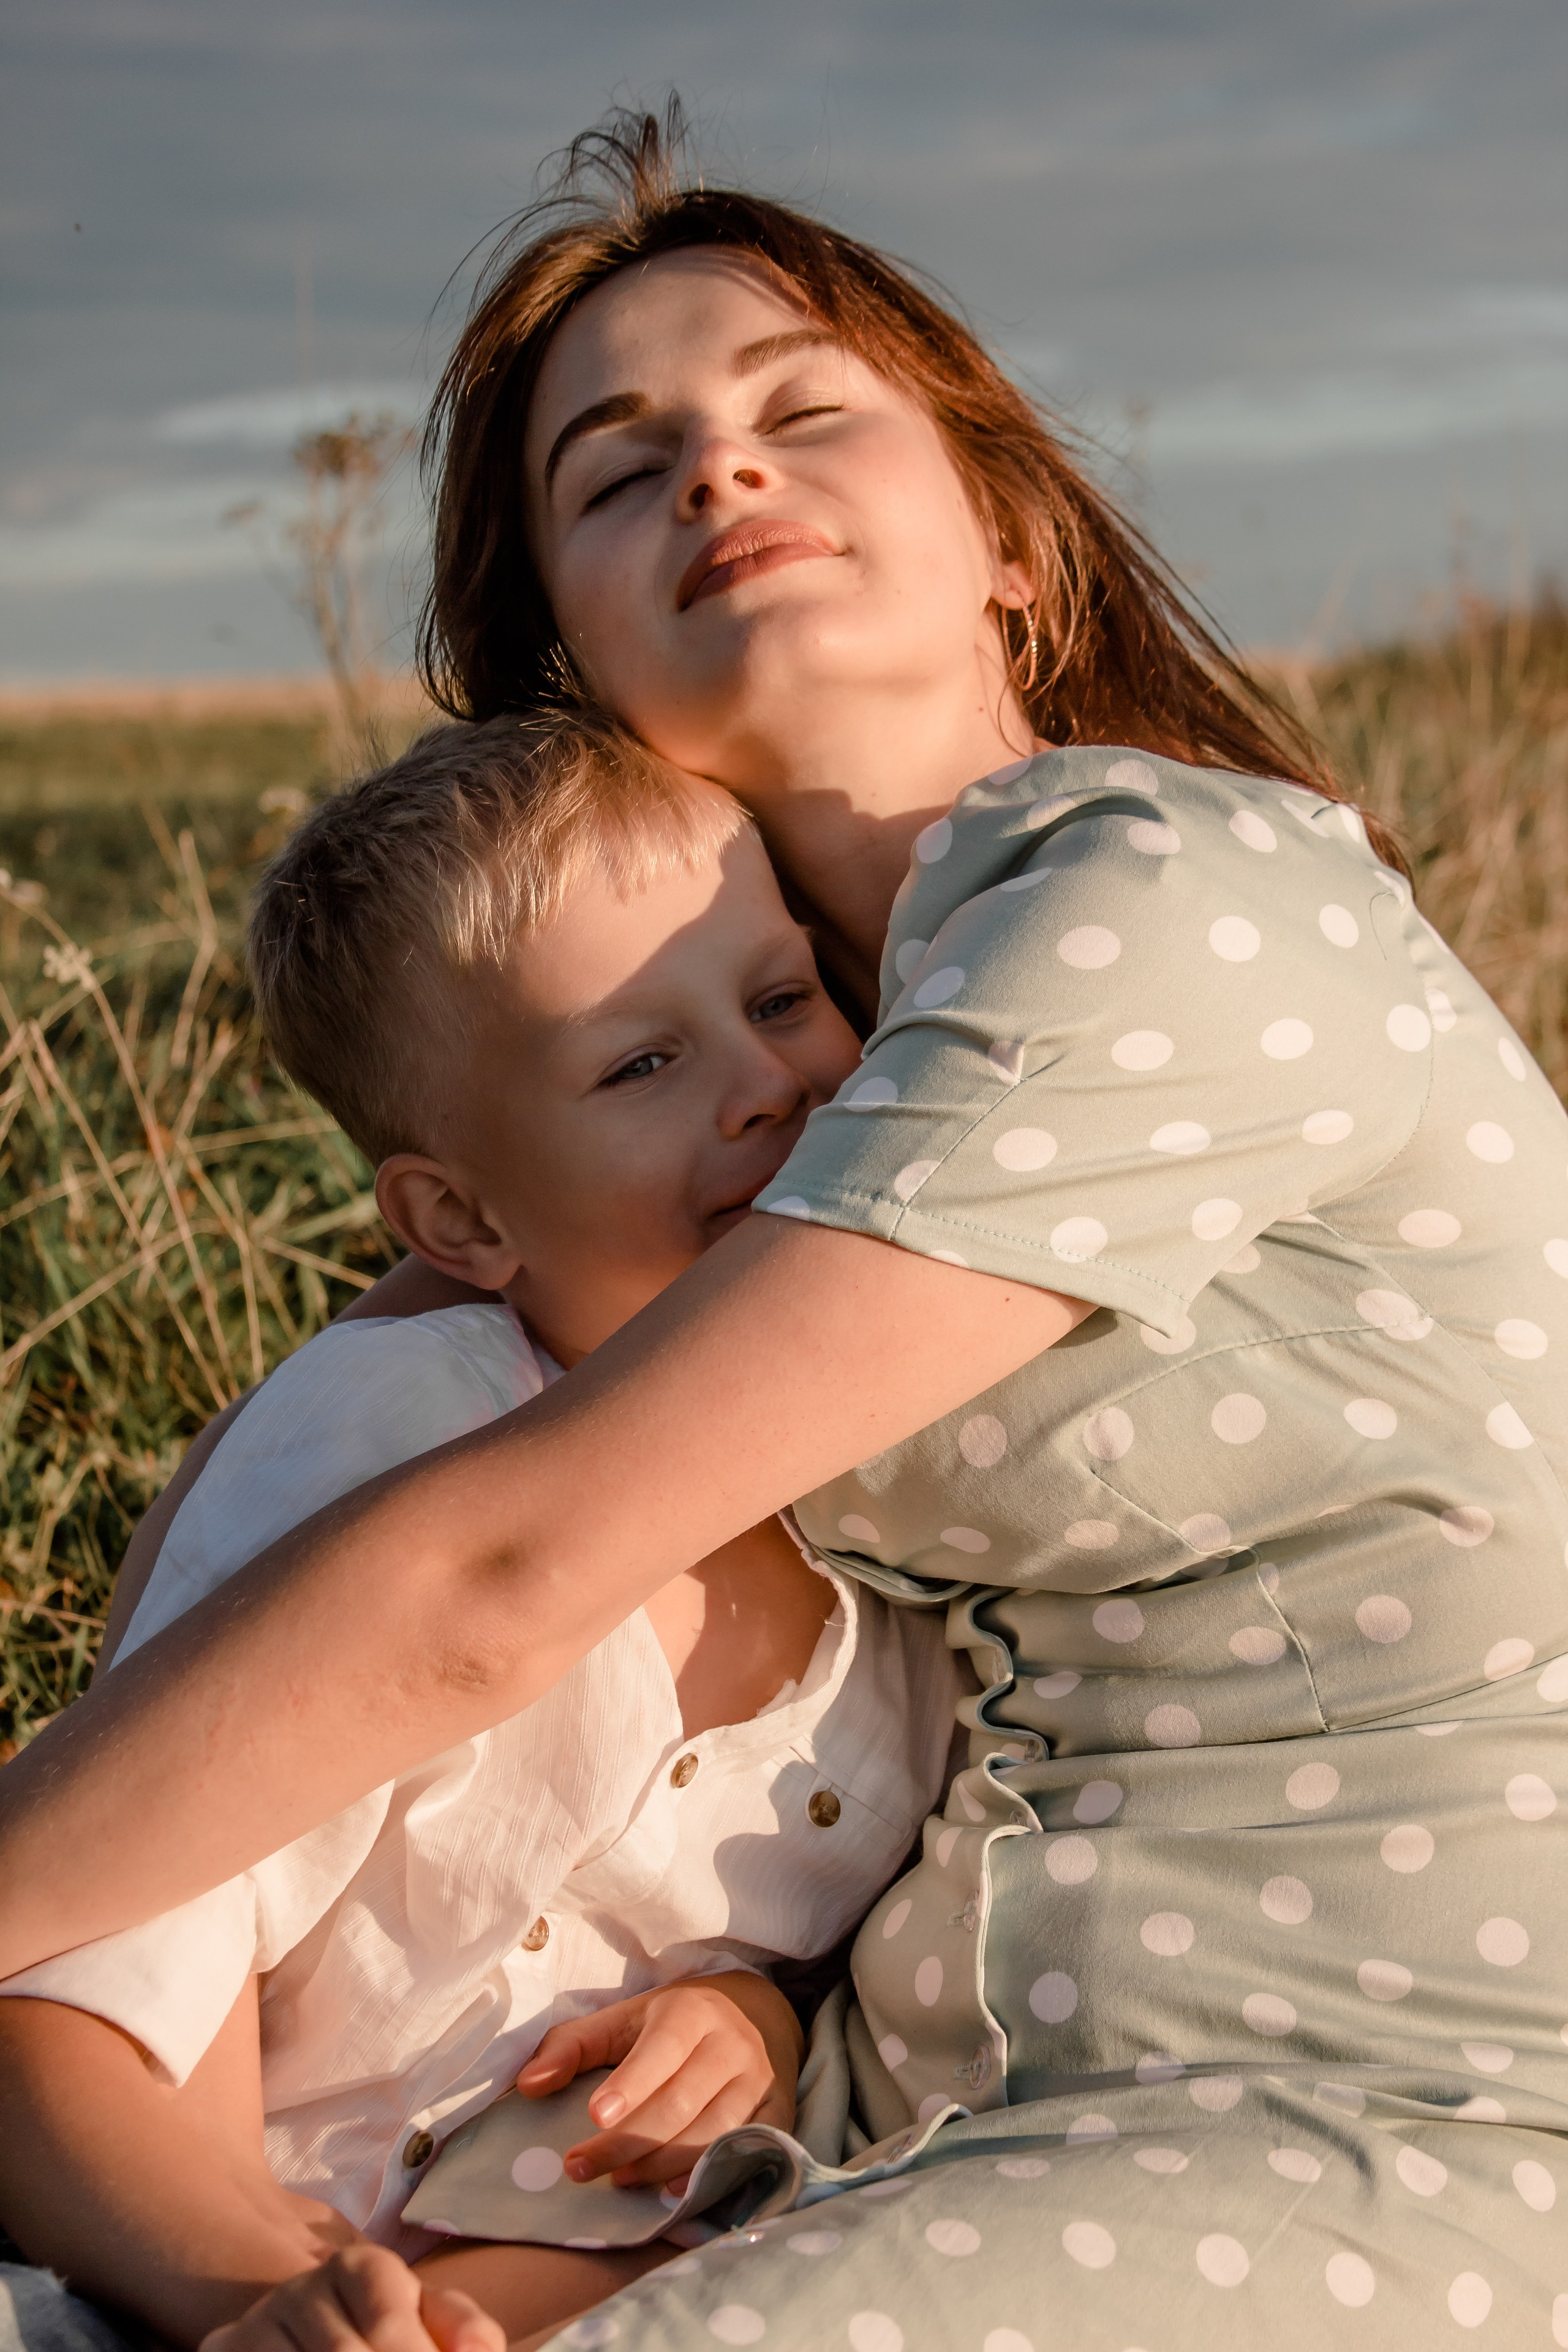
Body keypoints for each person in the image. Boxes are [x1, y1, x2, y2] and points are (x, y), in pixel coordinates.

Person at [2, 108, 1564, 2348]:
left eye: (804, 410)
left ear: (1015, 541)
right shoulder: (780, 1107)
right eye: (619, 472)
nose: (719, 474)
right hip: (921, 2096)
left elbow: (499, 1563)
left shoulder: (1167, 897)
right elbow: (380, 1427)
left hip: (1390, 2086)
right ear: (574, 664)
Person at [0, 714, 963, 2352]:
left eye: (783, 997)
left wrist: (743, 2006)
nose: (765, 1088)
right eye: (639, 1064)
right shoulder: (390, 1448)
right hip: (176, 2231)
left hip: (548, 2263)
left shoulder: (921, 1501)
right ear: (463, 1221)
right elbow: (81, 1981)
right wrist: (246, 2283)